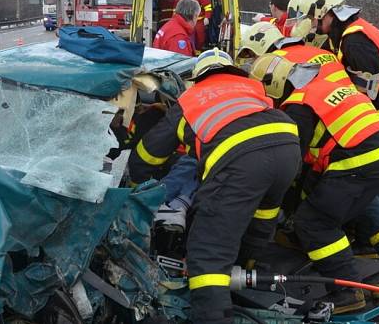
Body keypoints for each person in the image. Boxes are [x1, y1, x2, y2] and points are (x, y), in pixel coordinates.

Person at [129, 49, 300, 323]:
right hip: (287, 145)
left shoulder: (192, 97)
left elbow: (150, 153)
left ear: (198, 76)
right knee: (263, 214)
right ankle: (245, 266)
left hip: (240, 158)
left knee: (207, 255)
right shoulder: (251, 86)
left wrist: (137, 188)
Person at [249, 53, 379, 314]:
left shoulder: (297, 107)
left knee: (314, 222)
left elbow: (291, 166)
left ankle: (347, 290)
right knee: (364, 203)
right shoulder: (322, 82)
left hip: (359, 158)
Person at [298, 0, 379, 243]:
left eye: (315, 19)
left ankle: (370, 240)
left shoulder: (354, 40)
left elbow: (367, 89)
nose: (314, 25)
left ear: (326, 13)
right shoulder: (356, 30)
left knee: (378, 177)